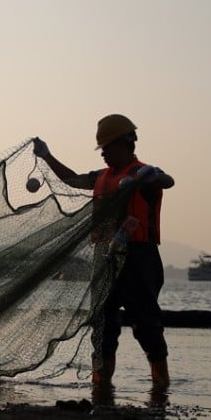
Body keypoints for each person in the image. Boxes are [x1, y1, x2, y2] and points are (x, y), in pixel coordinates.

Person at [32, 115, 174, 391]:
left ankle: (160, 386)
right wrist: (47, 156)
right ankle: (102, 388)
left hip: (138, 259)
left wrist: (150, 175)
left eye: (108, 147)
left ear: (126, 143)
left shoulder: (144, 174)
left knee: (146, 324)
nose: (104, 153)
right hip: (104, 258)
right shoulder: (102, 178)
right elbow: (72, 180)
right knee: (103, 326)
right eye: (103, 149)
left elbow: (168, 181)